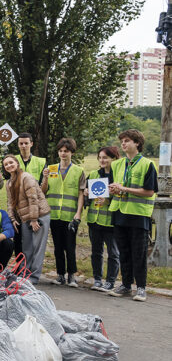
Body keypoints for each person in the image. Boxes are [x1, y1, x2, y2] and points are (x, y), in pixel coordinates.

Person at [107, 129, 157, 302]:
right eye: (122, 141)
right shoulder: (116, 165)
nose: (123, 144)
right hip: (120, 213)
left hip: (138, 215)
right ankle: (126, 285)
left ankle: (141, 288)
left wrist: (124, 188)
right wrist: (112, 190)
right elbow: (114, 188)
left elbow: (150, 192)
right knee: (124, 252)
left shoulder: (147, 164)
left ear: (137, 143)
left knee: (139, 253)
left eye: (127, 140)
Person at [40, 137, 86, 287]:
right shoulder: (51, 168)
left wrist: (78, 213)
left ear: (71, 152)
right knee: (58, 246)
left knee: (70, 246)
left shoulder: (78, 171)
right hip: (54, 214)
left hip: (70, 215)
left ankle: (72, 275)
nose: (62, 154)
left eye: (66, 151)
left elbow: (81, 194)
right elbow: (43, 191)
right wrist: (45, 178)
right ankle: (60, 275)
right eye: (60, 151)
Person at [2, 155, 50, 283]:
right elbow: (10, 202)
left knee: (37, 248)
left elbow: (33, 199)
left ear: (17, 164)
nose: (9, 165)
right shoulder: (9, 183)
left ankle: (33, 277)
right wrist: (12, 219)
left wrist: (34, 219)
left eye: (11, 162)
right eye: (6, 164)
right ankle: (24, 274)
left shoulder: (26, 177)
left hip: (39, 215)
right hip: (25, 217)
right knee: (27, 247)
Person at [86, 146, 120, 292]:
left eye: (105, 157)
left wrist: (108, 201)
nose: (102, 160)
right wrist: (86, 192)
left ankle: (110, 282)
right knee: (96, 252)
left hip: (111, 222)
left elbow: (122, 198)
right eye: (100, 157)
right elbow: (85, 193)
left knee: (113, 253)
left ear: (114, 159)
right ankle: (98, 279)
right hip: (94, 220)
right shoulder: (94, 174)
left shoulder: (118, 177)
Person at [11, 132, 46, 257]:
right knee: (18, 237)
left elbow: (44, 186)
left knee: (33, 238)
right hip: (17, 205)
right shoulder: (13, 161)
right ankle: (19, 267)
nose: (24, 146)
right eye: (21, 143)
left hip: (33, 205)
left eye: (26, 143)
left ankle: (30, 266)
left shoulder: (41, 162)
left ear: (31, 144)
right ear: (18, 145)